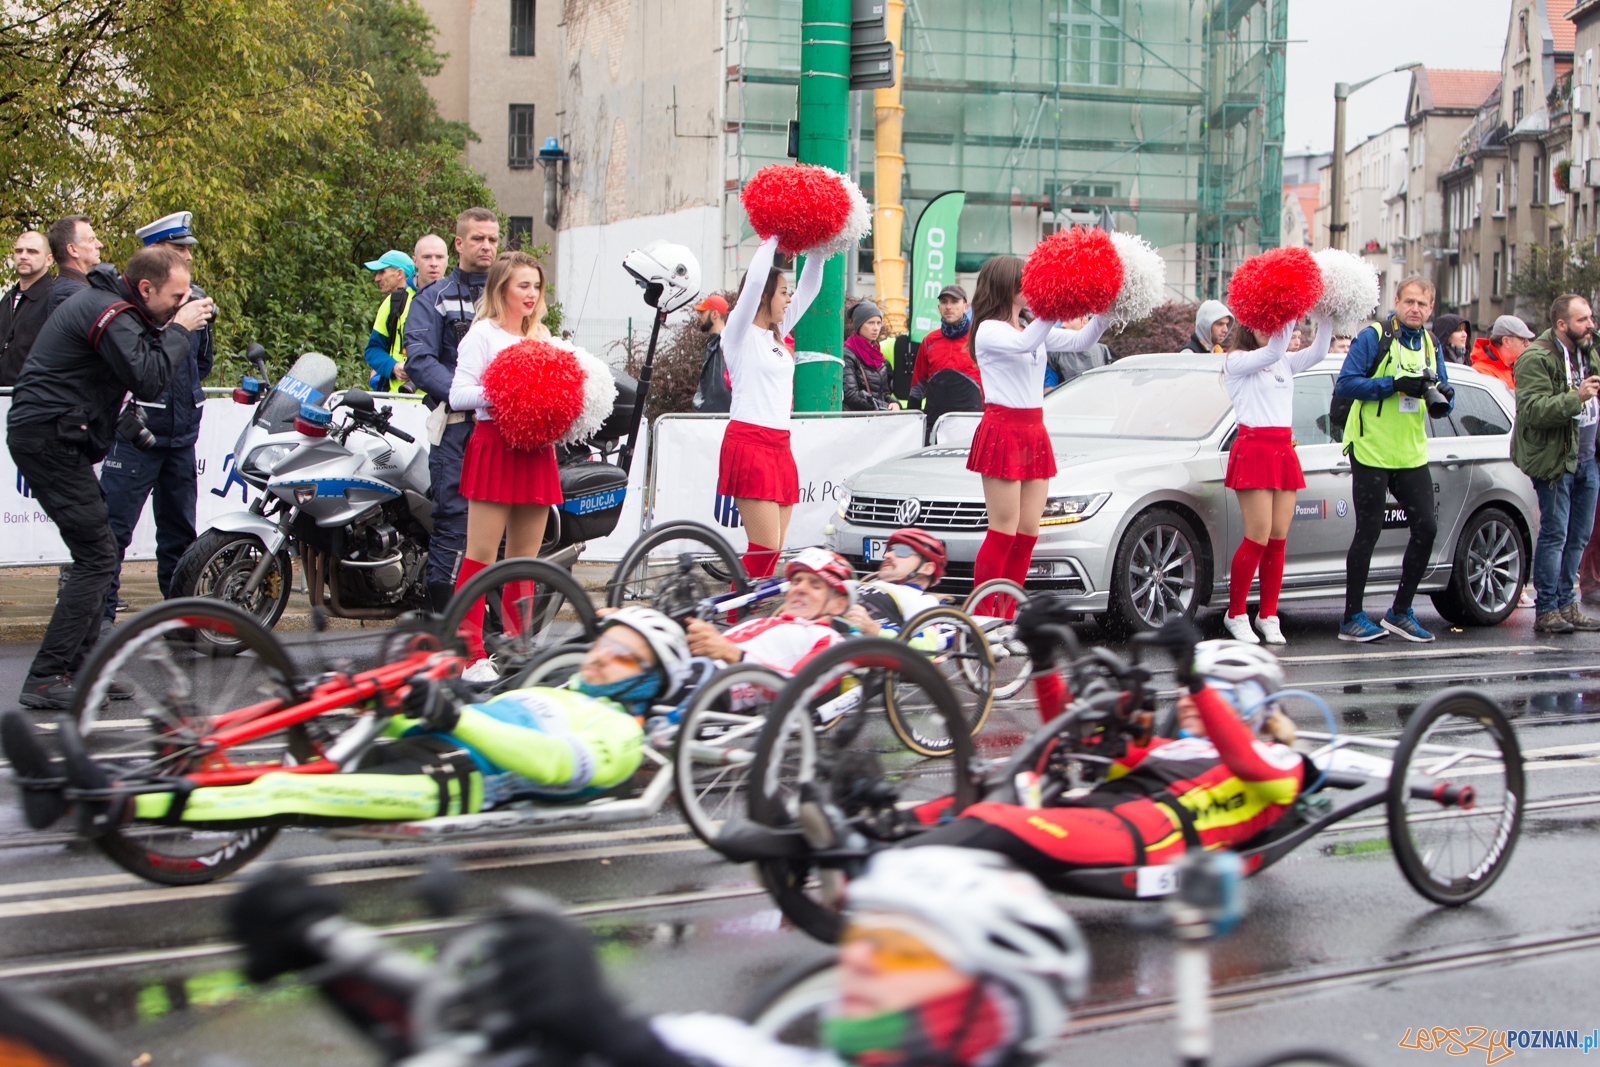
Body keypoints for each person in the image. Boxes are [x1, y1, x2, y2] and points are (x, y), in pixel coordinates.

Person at [222, 845, 1088, 1067]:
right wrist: (330, 954)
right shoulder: (740, 1048)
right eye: (865, 941)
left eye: (900, 954)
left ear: (995, 1008)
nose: (858, 964)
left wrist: (615, 1036)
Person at [1, 609, 690, 832]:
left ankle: (100, 799)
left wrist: (456, 717)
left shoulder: (622, 736)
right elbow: (447, 717)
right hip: (424, 746)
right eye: (603, 643)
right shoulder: (558, 690)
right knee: (291, 731)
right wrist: (389, 707)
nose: (599, 657)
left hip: (448, 784)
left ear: (648, 679)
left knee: (282, 789)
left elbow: (554, 766)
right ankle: (65, 779)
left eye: (621, 655)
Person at [911, 622, 1305, 883]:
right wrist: (1044, 660)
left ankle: (887, 871)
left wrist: (1195, 681)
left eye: (1212, 690)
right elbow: (1076, 737)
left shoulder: (1281, 760)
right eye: (1185, 690)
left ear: (1253, 704)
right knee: (973, 799)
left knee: (993, 822)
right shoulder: (1175, 749)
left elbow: (1244, 761)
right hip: (1094, 815)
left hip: (1146, 836)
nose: (1187, 699)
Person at [7, 246, 214, 709]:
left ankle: (83, 670)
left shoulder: (115, 306)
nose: (182, 305)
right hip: (47, 439)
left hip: (55, 435)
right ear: (146, 288)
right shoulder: (111, 311)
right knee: (99, 556)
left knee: (99, 553)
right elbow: (149, 377)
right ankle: (46, 677)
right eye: (176, 297)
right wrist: (180, 329)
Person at [965, 255, 1108, 627]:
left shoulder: (1029, 325)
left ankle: (1006, 618)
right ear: (1006, 285)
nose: (1030, 289)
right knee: (1003, 531)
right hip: (1002, 429)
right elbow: (1024, 343)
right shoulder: (989, 329)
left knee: (1027, 533)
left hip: (1034, 430)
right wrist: (1053, 302)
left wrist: (1108, 309)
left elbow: (1082, 339)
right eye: (1025, 282)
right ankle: (982, 620)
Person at [447, 251, 563, 681]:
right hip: (495, 444)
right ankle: (468, 655)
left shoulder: (542, 336)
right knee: (479, 557)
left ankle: (518, 647)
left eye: (536, 286)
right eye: (523, 285)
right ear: (501, 289)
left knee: (524, 560)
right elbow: (458, 395)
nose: (532, 294)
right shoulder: (482, 334)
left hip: (536, 449)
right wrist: (509, 393)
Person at [100, 212, 217, 628]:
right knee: (111, 533)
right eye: (179, 248)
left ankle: (181, 622)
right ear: (156, 252)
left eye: (188, 249)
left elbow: (201, 363)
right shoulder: (133, 303)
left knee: (180, 536)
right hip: (138, 434)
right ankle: (99, 627)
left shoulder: (197, 300)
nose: (188, 256)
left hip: (181, 436)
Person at [1334, 277, 1453, 644]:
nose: (1415, 308)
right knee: (1368, 531)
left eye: (1422, 304)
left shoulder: (1431, 343)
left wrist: (1445, 393)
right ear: (1397, 302)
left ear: (1431, 308)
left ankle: (1400, 611)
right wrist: (1394, 385)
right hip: (1371, 448)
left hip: (1409, 451)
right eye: (1409, 301)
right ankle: (1352, 617)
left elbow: (1442, 391)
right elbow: (1346, 384)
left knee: (1427, 528)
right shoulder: (1375, 336)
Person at [404, 207, 500, 611]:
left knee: (504, 528)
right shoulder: (433, 298)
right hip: (458, 428)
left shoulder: (509, 294)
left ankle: (498, 622)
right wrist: (470, 395)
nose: (486, 246)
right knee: (452, 525)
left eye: (492, 239)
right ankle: (443, 619)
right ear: (459, 244)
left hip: (505, 430)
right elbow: (419, 361)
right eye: (478, 238)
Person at [1220, 316, 1334, 646]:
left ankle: (1268, 614)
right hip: (1254, 447)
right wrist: (1290, 314)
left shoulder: (1284, 359)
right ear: (1249, 324)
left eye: (1275, 324)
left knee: (1278, 538)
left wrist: (1326, 313)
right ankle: (1236, 613)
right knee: (1257, 536)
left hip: (1283, 449)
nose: (1270, 330)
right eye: (1265, 322)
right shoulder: (1237, 360)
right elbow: (1272, 351)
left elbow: (1319, 352)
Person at [718, 235, 827, 580]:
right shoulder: (738, 333)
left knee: (773, 551)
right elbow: (753, 282)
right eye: (782, 291)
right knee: (763, 548)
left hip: (780, 445)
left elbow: (809, 288)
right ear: (765, 296)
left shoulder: (777, 333)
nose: (789, 298)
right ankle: (734, 608)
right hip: (749, 442)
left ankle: (746, 608)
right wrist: (773, 237)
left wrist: (821, 246)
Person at [1511, 294, 1600, 635]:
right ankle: (1547, 609)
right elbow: (1533, 410)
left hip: (1587, 457)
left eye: (1591, 317)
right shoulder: (1536, 357)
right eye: (1582, 320)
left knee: (1579, 535)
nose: (1590, 325)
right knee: (1555, 534)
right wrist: (1577, 398)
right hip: (1555, 460)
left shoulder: (1586, 351)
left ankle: (1567, 603)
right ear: (1561, 325)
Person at [685, 547, 853, 674]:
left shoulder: (828, 639)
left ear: (838, 604)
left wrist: (731, 654)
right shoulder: (770, 620)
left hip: (717, 683)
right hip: (693, 665)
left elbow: (795, 691)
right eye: (796, 582)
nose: (800, 588)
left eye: (815, 585)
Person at [845, 527, 947, 636]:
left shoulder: (920, 600)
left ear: (926, 568)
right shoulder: (870, 583)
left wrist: (874, 628)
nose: (887, 555)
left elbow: (926, 643)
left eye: (902, 551)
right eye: (890, 550)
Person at [0, 231, 55, 386]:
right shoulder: (7, 299)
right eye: (19, 251)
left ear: (49, 259)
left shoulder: (55, 298)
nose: (23, 256)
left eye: (32, 251)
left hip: (36, 393)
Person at [909, 285, 981, 402]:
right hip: (935, 413)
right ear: (939, 307)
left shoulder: (978, 339)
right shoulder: (928, 341)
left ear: (966, 307)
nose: (948, 306)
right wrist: (912, 410)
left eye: (954, 301)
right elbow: (917, 386)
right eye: (944, 302)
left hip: (971, 412)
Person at [361, 249, 417, 393]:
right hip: (396, 398)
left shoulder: (438, 297)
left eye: (382, 272)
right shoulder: (391, 303)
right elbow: (373, 349)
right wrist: (393, 366)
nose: (376, 278)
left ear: (399, 273)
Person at [842, 300, 899, 411]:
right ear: (859, 325)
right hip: (857, 418)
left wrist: (894, 403)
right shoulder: (848, 354)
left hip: (876, 416)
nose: (876, 328)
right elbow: (850, 395)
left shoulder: (878, 355)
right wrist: (884, 406)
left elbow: (884, 393)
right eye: (871, 323)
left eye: (879, 323)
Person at [44, 215, 102, 313]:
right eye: (91, 239)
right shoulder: (72, 295)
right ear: (72, 250)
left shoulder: (75, 289)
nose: (100, 245)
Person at [1044, 314, 1116, 391]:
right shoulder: (1054, 354)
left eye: (1068, 320)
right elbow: (1049, 390)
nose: (1062, 325)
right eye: (1062, 321)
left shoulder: (1104, 351)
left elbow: (1113, 383)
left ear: (1083, 322)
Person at [1470, 314, 1534, 391]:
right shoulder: (1483, 372)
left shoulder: (1517, 367)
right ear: (1506, 341)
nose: (1528, 344)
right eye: (1523, 340)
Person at [691, 292, 731, 413]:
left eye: (702, 312)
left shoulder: (722, 344)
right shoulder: (717, 342)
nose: (699, 317)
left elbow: (719, 390)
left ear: (714, 314)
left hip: (717, 418)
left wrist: (706, 412)